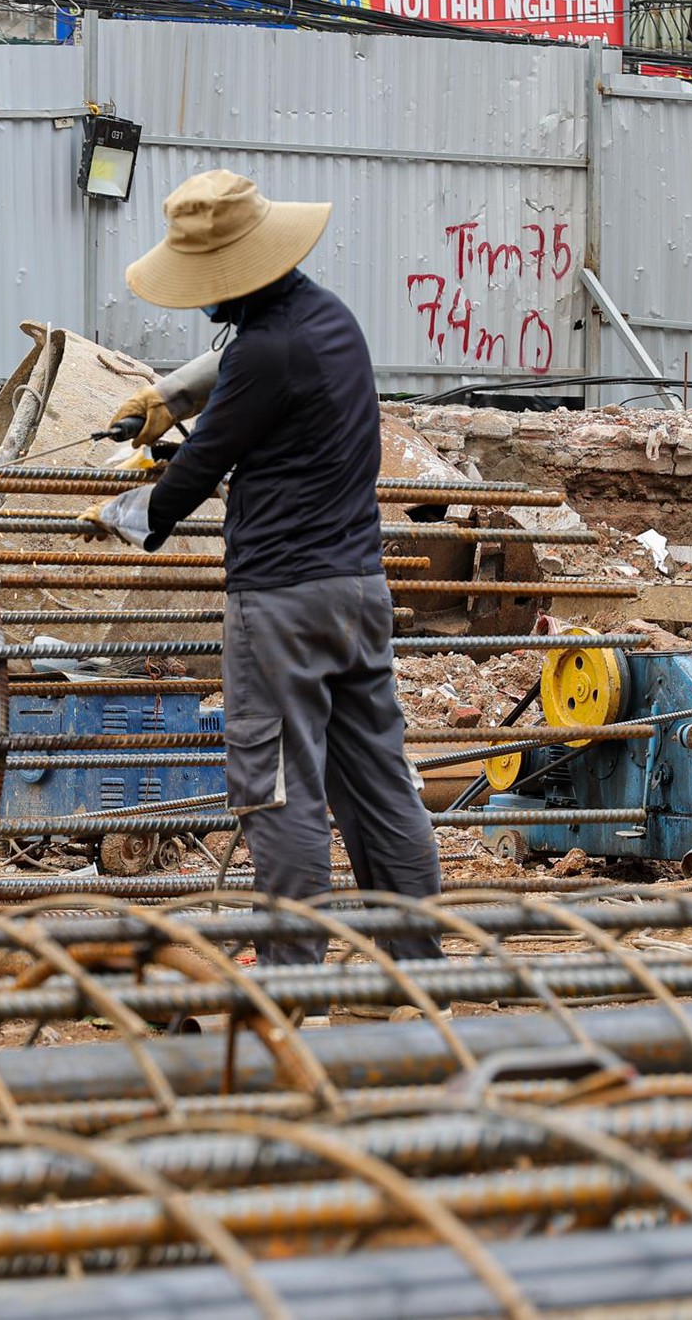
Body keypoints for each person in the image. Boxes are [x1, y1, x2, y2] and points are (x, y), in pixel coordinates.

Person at [86, 169, 445, 970]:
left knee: (277, 787)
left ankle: (289, 982)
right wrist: (170, 395)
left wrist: (118, 514)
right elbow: (250, 371)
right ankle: (419, 967)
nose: (202, 299)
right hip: (357, 591)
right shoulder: (330, 321)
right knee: (378, 780)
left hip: (280, 603)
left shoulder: (262, 353)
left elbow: (190, 477)